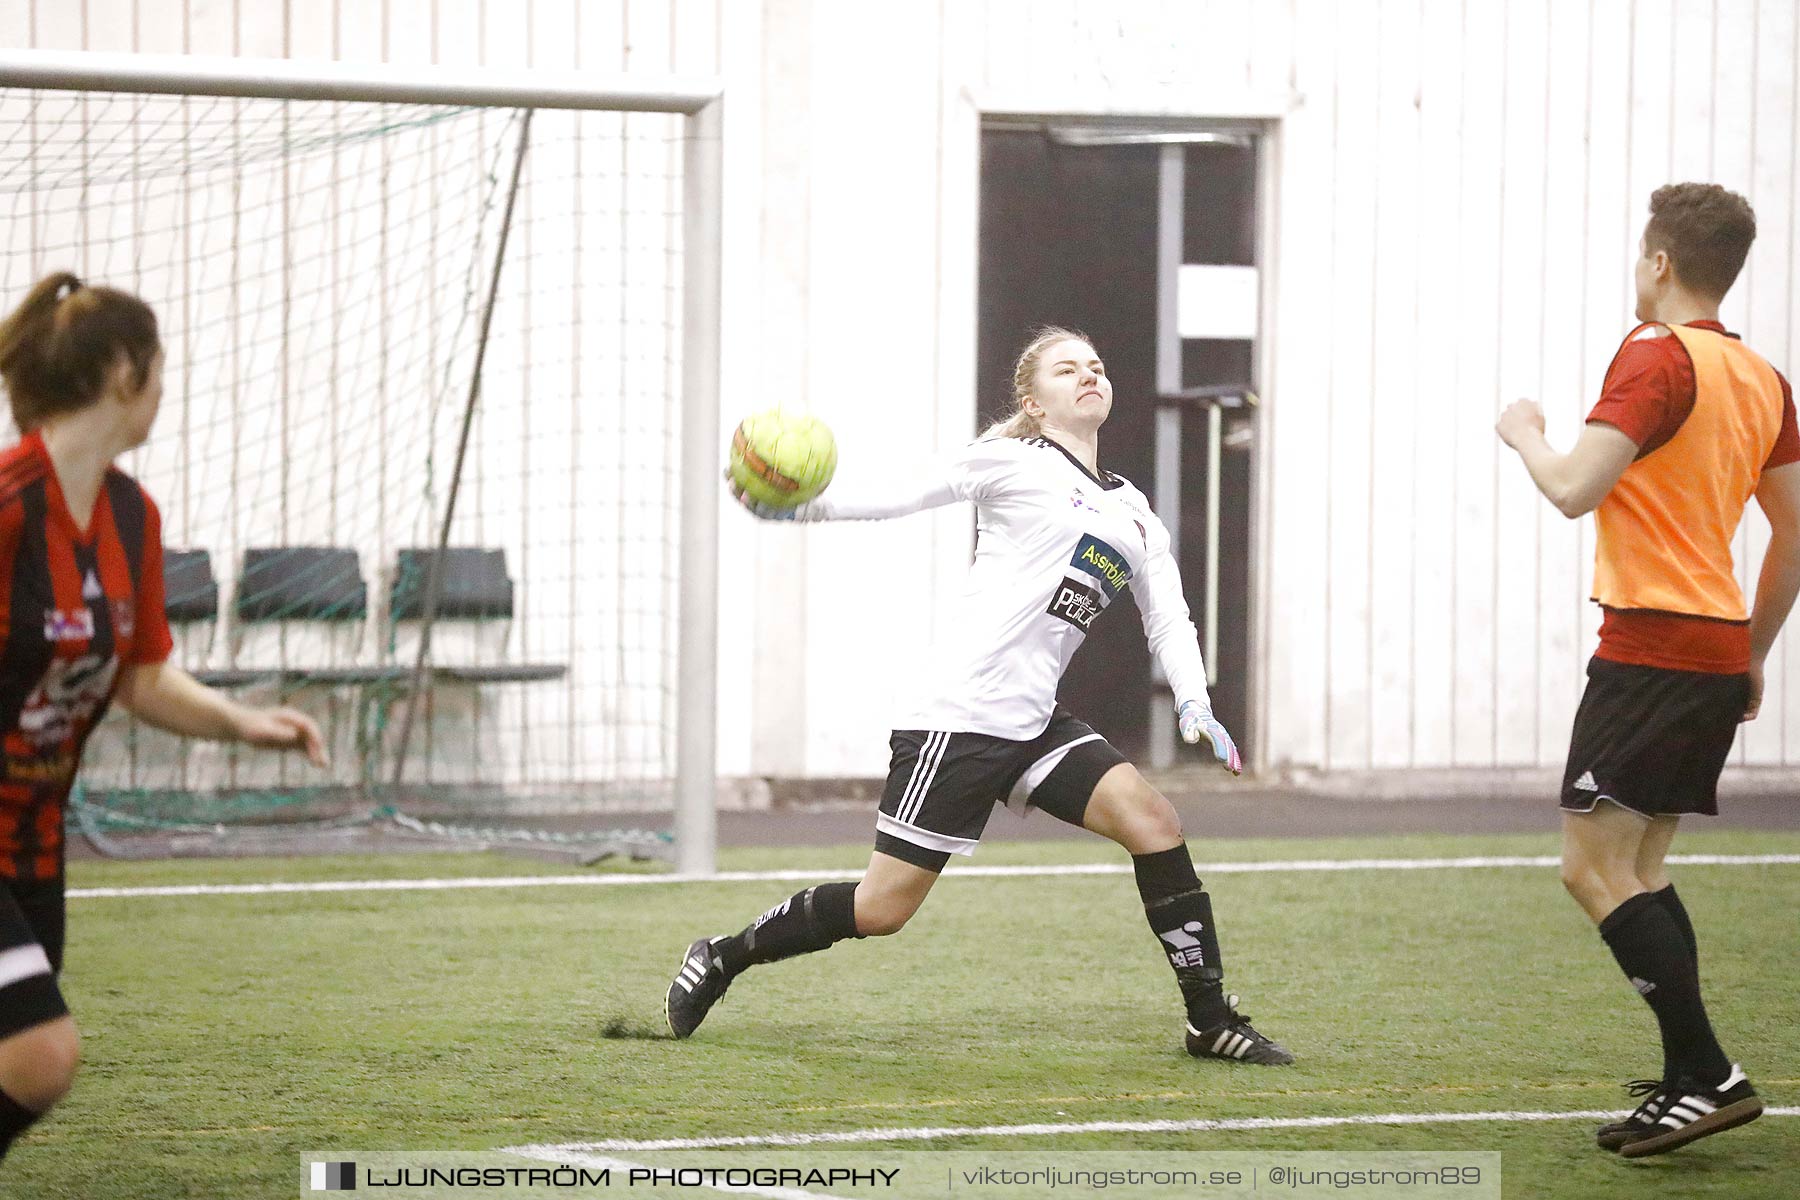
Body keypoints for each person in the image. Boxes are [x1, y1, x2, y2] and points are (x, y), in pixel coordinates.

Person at [666, 327, 1292, 1065]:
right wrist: (802, 510)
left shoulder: (1133, 511)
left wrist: (1194, 701)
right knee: (881, 910)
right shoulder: (1013, 462)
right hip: (958, 719)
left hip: (1033, 721)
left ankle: (1209, 1020)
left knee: (1155, 822)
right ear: (1034, 399)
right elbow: (905, 492)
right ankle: (723, 956)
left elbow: (1168, 615)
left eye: (1096, 365)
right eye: (1067, 369)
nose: (1089, 374)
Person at [1497, 183, 1800, 1157]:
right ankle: (1683, 1080)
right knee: (1643, 868)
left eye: (1640, 256)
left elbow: (1574, 489)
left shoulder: (1655, 355)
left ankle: (1708, 1071)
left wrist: (1524, 432)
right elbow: (1793, 532)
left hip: (1651, 647)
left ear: (1660, 264)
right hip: (1711, 649)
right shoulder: (1762, 377)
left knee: (1590, 868)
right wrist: (1752, 653)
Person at [0, 272, 329, 1163]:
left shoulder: (130, 516)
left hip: (32, 841)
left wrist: (244, 722)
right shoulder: (5, 508)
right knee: (40, 1056)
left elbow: (144, 678)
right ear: (121, 371)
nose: (162, 389)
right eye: (159, 367)